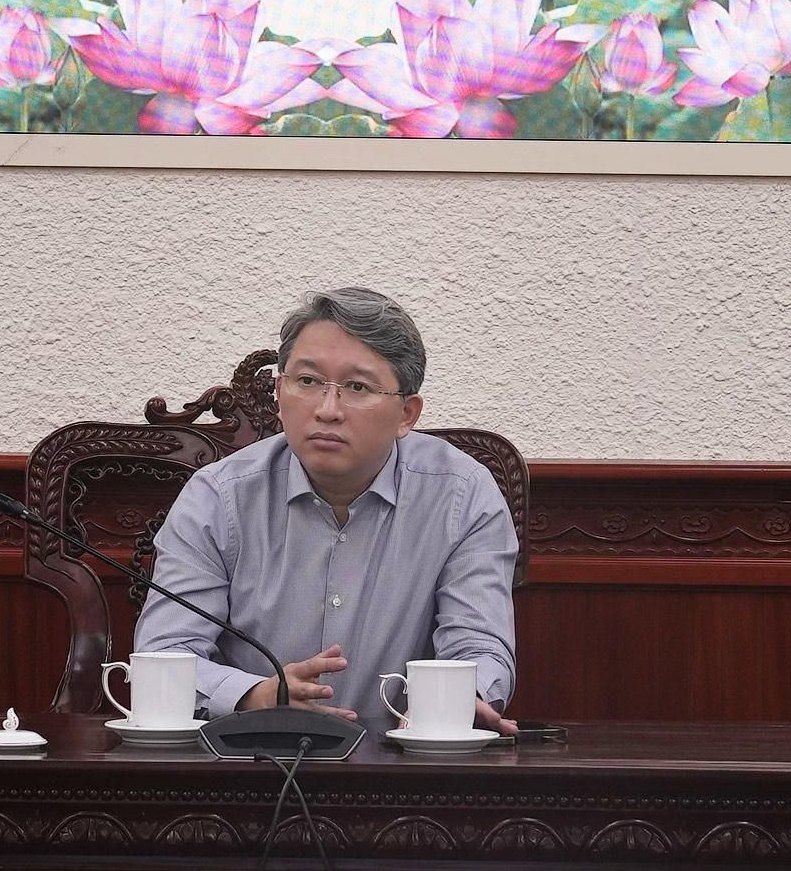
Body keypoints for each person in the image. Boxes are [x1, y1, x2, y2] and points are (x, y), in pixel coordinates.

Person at [134, 287, 518, 733]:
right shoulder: (217, 497)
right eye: (307, 381)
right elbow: (165, 653)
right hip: (247, 757)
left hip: (404, 760)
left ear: (406, 414)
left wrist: (459, 702)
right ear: (279, 392)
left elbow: (479, 645)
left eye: (357, 387)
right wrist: (258, 696)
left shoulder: (462, 496)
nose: (327, 410)